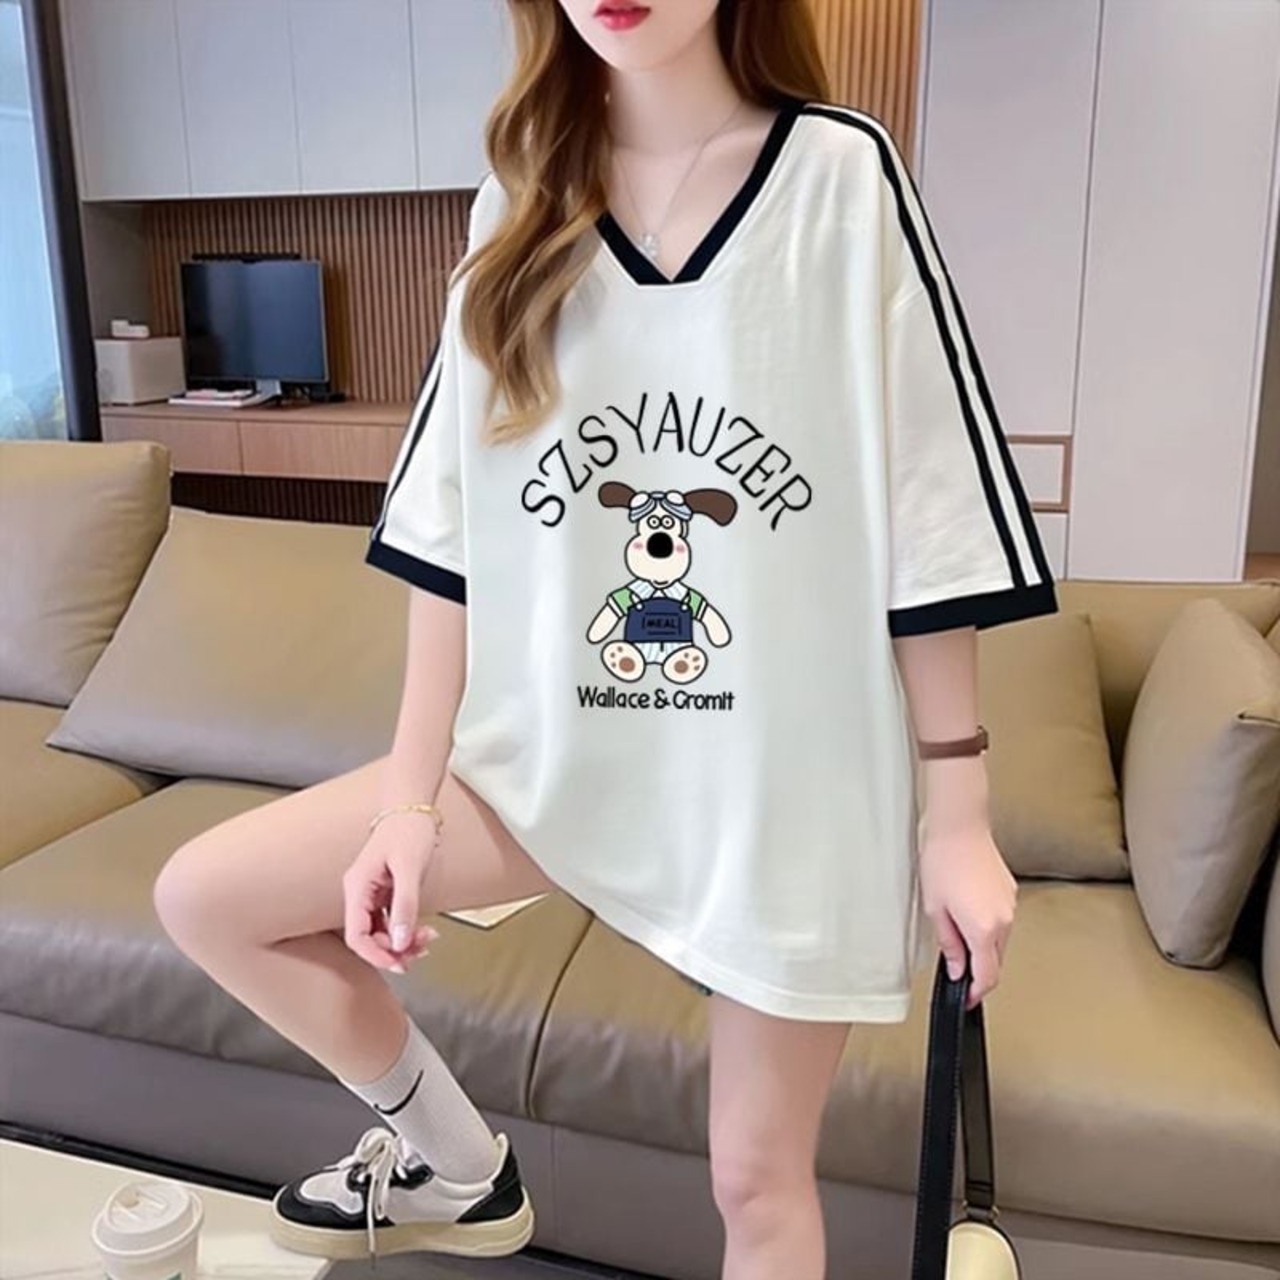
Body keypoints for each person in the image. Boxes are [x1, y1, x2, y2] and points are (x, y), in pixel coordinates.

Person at [153, 1, 1058, 1276]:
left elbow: (930, 518)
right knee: (208, 895)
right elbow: (449, 539)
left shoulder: (839, 179)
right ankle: (452, 1164)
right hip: (552, 761)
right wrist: (407, 798)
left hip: (781, 786)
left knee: (756, 1179)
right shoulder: (519, 201)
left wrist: (955, 813)